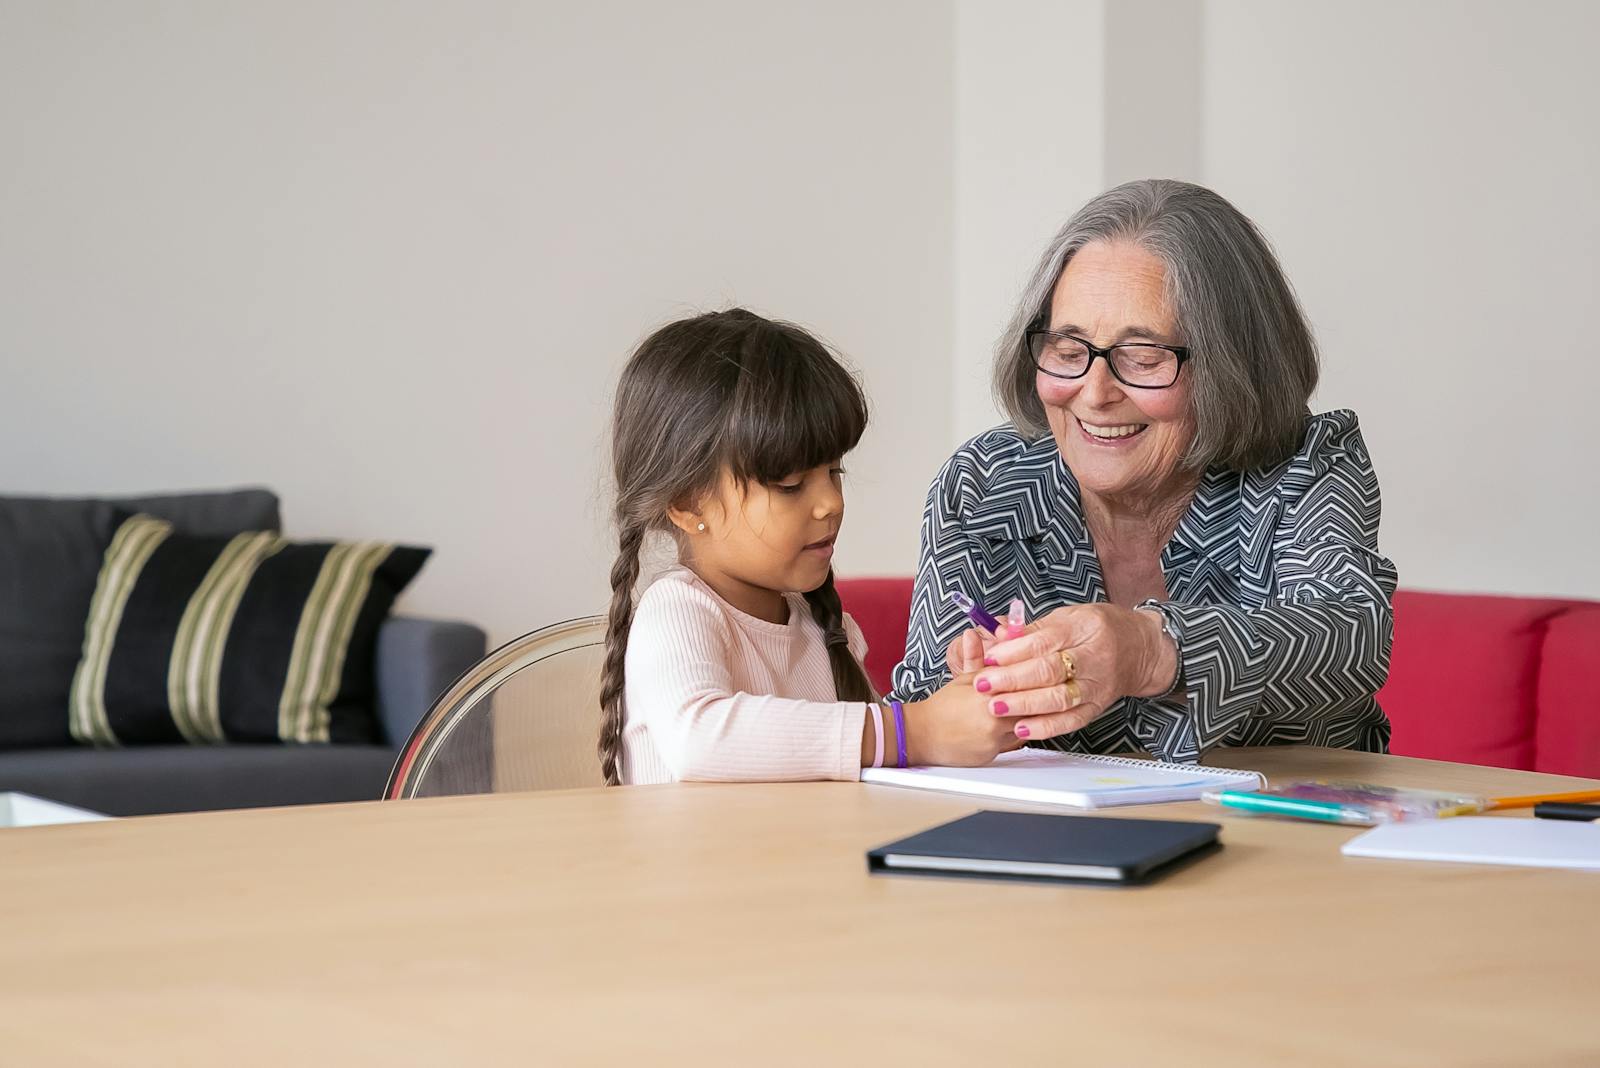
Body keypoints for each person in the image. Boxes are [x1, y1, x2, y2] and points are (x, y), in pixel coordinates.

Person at [893, 179, 1398, 764]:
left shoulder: (1306, 464)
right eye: (1067, 347)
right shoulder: (988, 481)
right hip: (1048, 841)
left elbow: (1349, 642)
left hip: (1285, 836)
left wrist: (1150, 650)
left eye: (1144, 357)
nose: (1095, 392)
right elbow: (929, 711)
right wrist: (976, 695)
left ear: (1229, 367)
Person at [597, 309, 1014, 785]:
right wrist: (911, 732)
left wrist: (966, 705)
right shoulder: (678, 610)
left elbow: (873, 763)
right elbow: (701, 739)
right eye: (791, 484)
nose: (830, 503)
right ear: (689, 504)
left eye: (835, 472)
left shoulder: (825, 629)